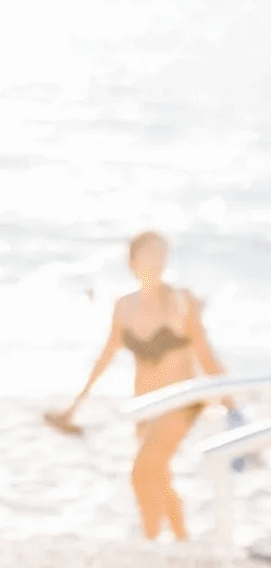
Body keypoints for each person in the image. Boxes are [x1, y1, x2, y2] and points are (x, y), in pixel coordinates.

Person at [49, 230, 232, 540]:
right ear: (133, 260)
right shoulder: (124, 305)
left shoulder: (180, 301)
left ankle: (162, 542)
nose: (158, 260)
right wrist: (75, 406)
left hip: (181, 401)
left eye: (162, 254)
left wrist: (231, 400)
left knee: (141, 471)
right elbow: (105, 358)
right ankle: (173, 541)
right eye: (150, 253)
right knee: (156, 476)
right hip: (144, 402)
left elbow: (205, 353)